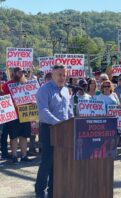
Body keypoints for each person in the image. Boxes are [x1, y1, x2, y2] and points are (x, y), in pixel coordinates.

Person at [35, 64, 73, 198]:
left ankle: (53, 191)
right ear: (52, 75)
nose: (62, 77)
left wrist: (71, 123)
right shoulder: (44, 90)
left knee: (58, 163)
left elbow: (68, 110)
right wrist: (59, 123)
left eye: (64, 74)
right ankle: (40, 192)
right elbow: (43, 111)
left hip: (63, 130)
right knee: (47, 161)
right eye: (59, 74)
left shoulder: (66, 90)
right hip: (48, 129)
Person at [2, 67, 33, 163]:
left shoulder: (26, 84)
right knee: (13, 137)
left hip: (25, 114)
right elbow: (3, 99)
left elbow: (32, 97)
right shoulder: (7, 85)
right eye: (20, 72)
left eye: (23, 72)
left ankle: (24, 156)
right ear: (15, 73)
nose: (21, 74)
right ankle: (14, 156)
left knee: (24, 136)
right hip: (13, 115)